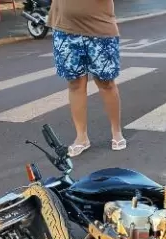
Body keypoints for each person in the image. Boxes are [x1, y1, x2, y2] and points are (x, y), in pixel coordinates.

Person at [48, 0, 126, 157]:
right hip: (65, 28)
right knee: (75, 83)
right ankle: (81, 136)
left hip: (100, 28)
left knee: (106, 83)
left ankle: (116, 131)